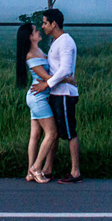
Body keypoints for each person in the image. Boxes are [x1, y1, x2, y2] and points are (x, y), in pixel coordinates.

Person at [29, 8, 82, 183]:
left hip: (64, 94)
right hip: (56, 92)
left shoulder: (65, 42)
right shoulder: (56, 41)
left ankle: (75, 172)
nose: (43, 26)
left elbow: (65, 69)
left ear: (54, 24)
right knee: (55, 132)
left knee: (69, 132)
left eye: (45, 23)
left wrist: (47, 84)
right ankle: (48, 169)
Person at [15, 22, 66, 183]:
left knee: (35, 136)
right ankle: (36, 168)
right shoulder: (31, 55)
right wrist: (68, 79)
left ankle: (30, 172)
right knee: (52, 133)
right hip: (38, 98)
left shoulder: (39, 51)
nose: (39, 32)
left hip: (38, 96)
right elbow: (47, 78)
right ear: (30, 37)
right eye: (35, 31)